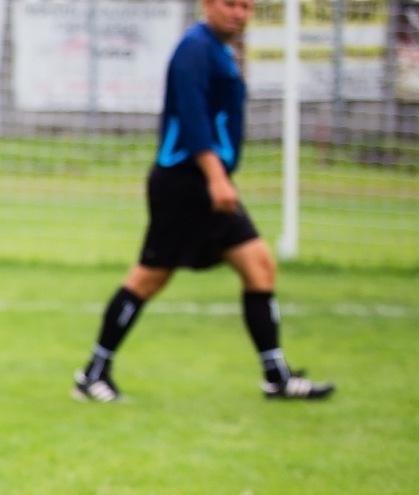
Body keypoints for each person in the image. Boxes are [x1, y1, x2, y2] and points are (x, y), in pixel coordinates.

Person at [73, 0, 334, 403]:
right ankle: (93, 374)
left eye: (246, 6)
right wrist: (216, 177)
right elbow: (192, 117)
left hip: (208, 182)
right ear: (206, 4)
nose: (239, 13)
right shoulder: (194, 49)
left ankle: (276, 377)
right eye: (230, 4)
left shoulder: (220, 50)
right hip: (186, 182)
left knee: (259, 265)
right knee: (149, 278)